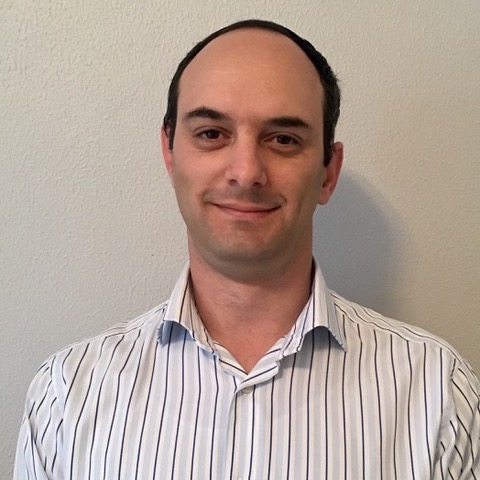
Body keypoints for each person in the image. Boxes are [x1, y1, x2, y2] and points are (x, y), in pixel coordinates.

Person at [15, 19, 479, 479]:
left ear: (328, 172)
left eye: (283, 139)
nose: (246, 172)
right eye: (211, 134)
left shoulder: (438, 395)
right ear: (170, 153)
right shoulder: (67, 396)